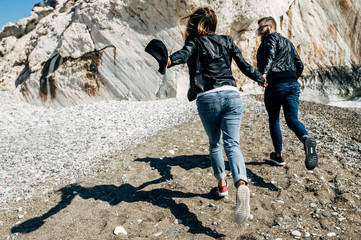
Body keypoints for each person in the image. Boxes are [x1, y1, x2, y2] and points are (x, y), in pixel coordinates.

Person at [166, 7, 266, 223]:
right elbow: (244, 65)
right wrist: (260, 78)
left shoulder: (194, 41)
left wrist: (169, 60)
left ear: (196, 23)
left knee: (215, 143)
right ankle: (241, 182)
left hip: (208, 97)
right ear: (214, 24)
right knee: (233, 144)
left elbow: (184, 55)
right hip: (231, 95)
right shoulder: (227, 40)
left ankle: (222, 185)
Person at [256, 16, 318, 170]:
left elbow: (270, 56)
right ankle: (305, 138)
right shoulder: (289, 43)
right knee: (291, 118)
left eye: (261, 28)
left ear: (271, 27)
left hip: (276, 86)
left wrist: (263, 74)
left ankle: (279, 156)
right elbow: (300, 64)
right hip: (293, 85)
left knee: (274, 120)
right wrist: (291, 78)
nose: (259, 32)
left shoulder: (269, 39)